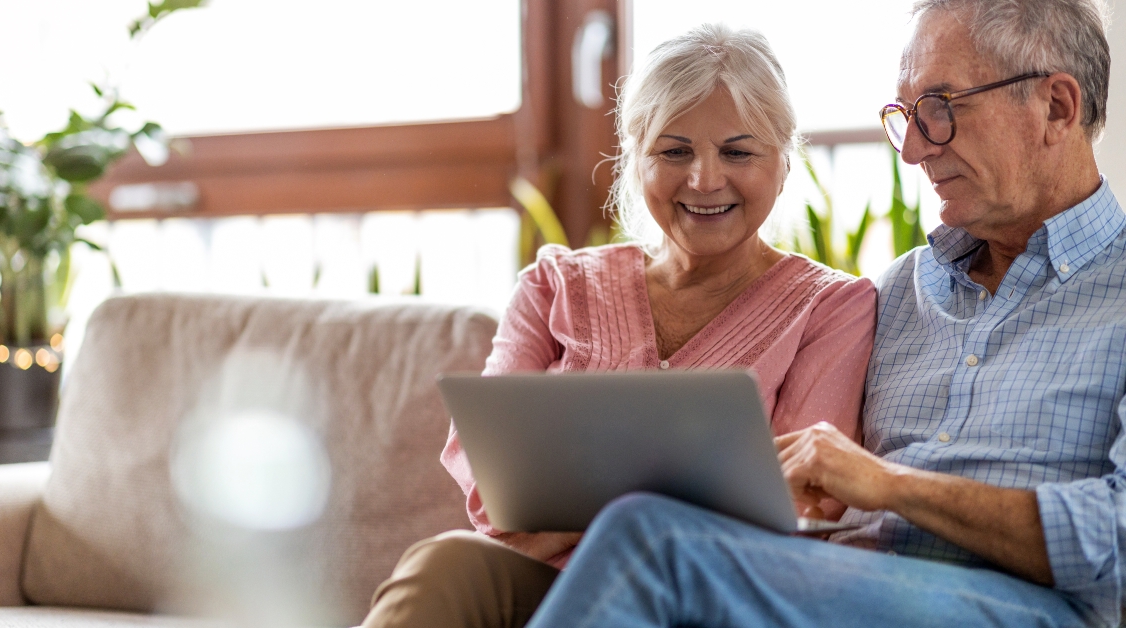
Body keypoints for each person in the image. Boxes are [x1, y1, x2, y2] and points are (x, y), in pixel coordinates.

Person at [523, 0, 1125, 626]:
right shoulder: (894, 294)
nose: (913, 151)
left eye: (941, 109)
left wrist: (890, 486)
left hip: (1021, 604)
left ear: (1056, 106)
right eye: (908, 117)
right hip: (836, 585)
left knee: (652, 539)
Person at [360, 24, 877, 628]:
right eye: (674, 150)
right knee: (448, 561)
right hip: (543, 586)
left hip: (695, 599)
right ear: (636, 161)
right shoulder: (553, 284)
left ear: (784, 165)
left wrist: (572, 522)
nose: (705, 179)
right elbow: (493, 479)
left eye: (738, 151)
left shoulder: (832, 307)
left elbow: (796, 506)